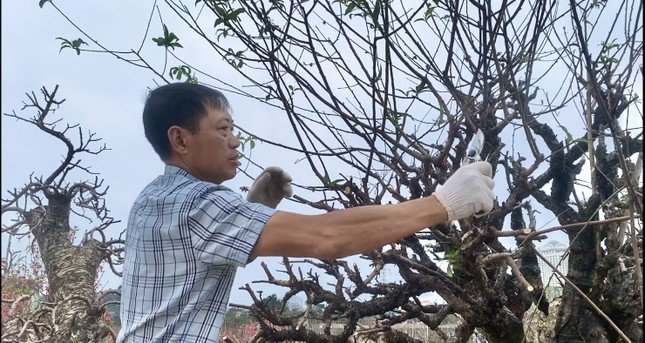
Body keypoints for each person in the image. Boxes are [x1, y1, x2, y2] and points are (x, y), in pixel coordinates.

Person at [117, 83, 495, 342]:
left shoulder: (152, 199)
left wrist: (253, 212)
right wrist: (443, 204)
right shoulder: (198, 203)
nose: (235, 141)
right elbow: (326, 237)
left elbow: (189, 268)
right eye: (223, 129)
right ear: (180, 139)